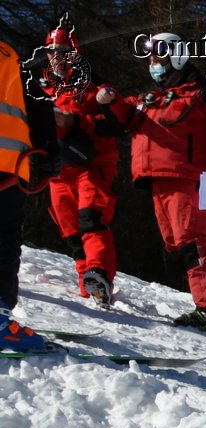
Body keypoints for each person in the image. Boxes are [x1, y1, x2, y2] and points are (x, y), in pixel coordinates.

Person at [96, 32, 206, 333]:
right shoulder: (153, 98)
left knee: (192, 241)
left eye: (158, 56)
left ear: (177, 56)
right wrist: (108, 99)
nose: (152, 62)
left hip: (188, 179)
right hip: (158, 181)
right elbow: (125, 114)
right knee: (177, 245)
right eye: (150, 56)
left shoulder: (205, 93)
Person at [33, 24, 119, 309]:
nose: (56, 57)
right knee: (70, 233)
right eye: (52, 51)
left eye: (62, 51)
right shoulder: (41, 88)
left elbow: (116, 124)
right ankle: (88, 283)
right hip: (59, 173)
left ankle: (99, 275)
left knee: (90, 221)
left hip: (90, 168)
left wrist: (80, 121)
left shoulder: (94, 86)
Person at [1, 34, 54, 353]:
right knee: (4, 240)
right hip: (7, 163)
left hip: (10, 163)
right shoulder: (11, 55)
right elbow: (37, 101)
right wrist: (49, 149)